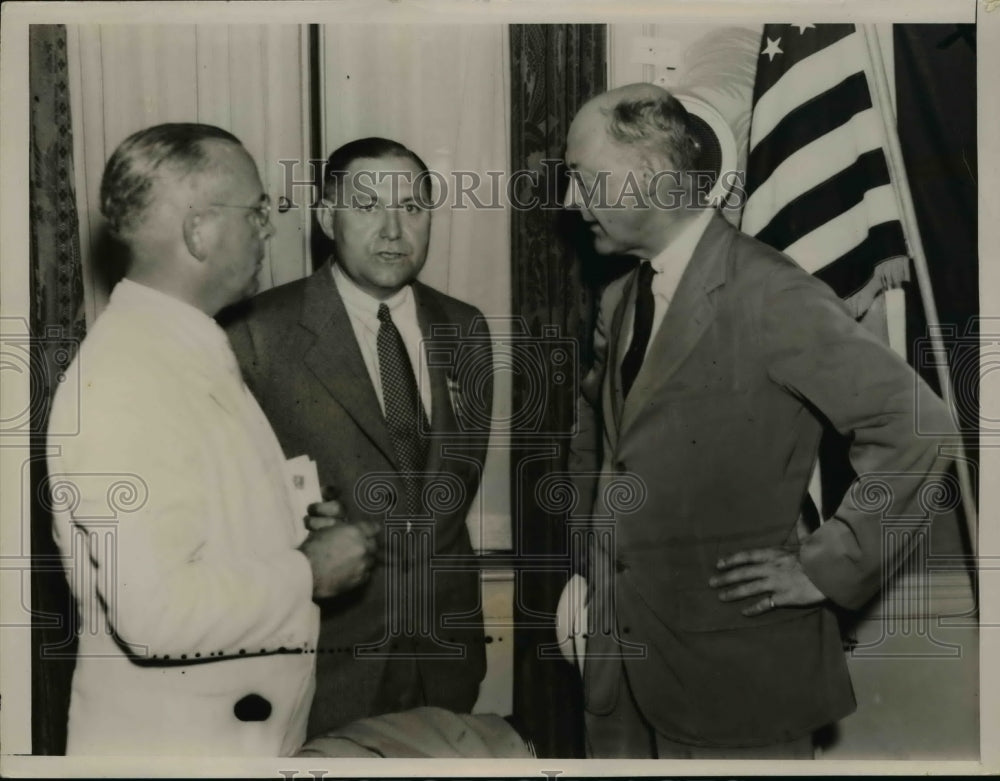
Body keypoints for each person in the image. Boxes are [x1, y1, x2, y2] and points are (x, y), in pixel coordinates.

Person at [562, 83, 958, 758]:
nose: (571, 202)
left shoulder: (771, 290)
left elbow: (921, 424)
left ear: (652, 177)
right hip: (620, 675)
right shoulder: (621, 297)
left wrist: (827, 565)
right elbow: (606, 450)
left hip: (734, 682)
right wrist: (590, 577)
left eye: (584, 179)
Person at [47, 123, 378, 755]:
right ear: (198, 231)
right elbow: (155, 615)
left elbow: (200, 523)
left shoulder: (183, 348)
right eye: (256, 212)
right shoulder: (126, 378)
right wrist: (307, 570)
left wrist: (289, 523)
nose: (267, 229)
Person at [223, 137, 492, 737]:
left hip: (444, 657)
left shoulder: (466, 327)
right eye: (368, 206)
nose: (394, 229)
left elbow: (452, 491)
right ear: (326, 217)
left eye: (413, 208)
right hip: (326, 660)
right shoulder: (256, 334)